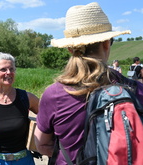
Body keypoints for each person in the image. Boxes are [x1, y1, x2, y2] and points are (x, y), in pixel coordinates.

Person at [34, 2, 143, 165]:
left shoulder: (54, 94)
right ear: (106, 43)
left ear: (70, 49)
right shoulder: (136, 90)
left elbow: (41, 144)